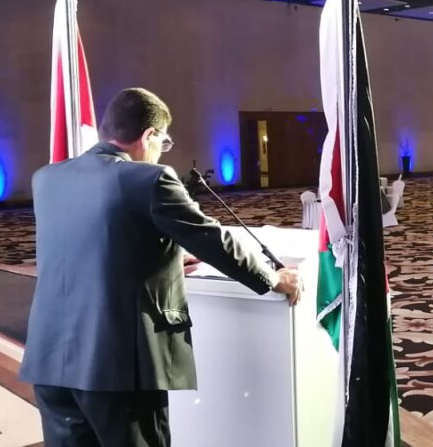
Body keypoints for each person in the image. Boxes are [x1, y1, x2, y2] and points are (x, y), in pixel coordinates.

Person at [19, 89, 303, 447]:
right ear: (149, 135)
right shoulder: (150, 179)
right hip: (117, 367)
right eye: (163, 142)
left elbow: (85, 242)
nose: (160, 152)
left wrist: (160, 258)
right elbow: (212, 240)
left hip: (50, 361)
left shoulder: (47, 178)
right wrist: (272, 277)